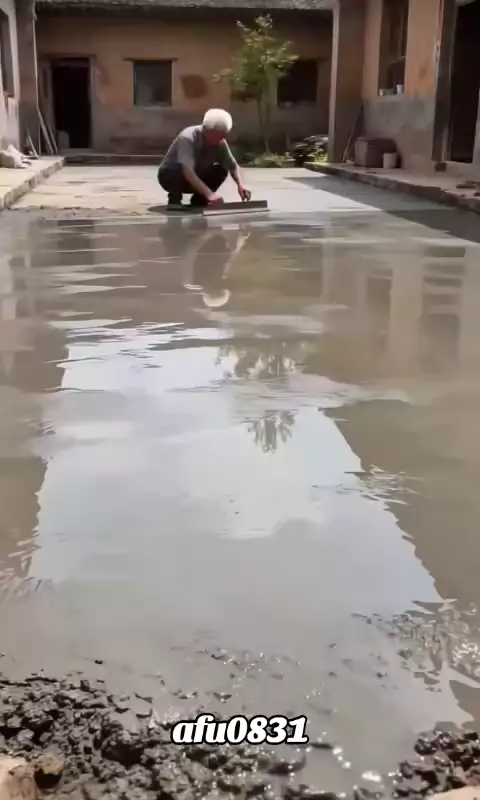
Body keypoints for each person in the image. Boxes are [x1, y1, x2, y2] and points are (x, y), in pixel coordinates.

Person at [157, 109, 251, 209]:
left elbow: (233, 166)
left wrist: (241, 186)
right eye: (218, 136)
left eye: (223, 136)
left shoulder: (220, 143)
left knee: (220, 170)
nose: (221, 140)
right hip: (172, 177)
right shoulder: (188, 137)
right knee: (176, 169)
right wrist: (209, 193)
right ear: (207, 131)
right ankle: (174, 200)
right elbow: (188, 171)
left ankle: (199, 200)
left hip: (197, 176)